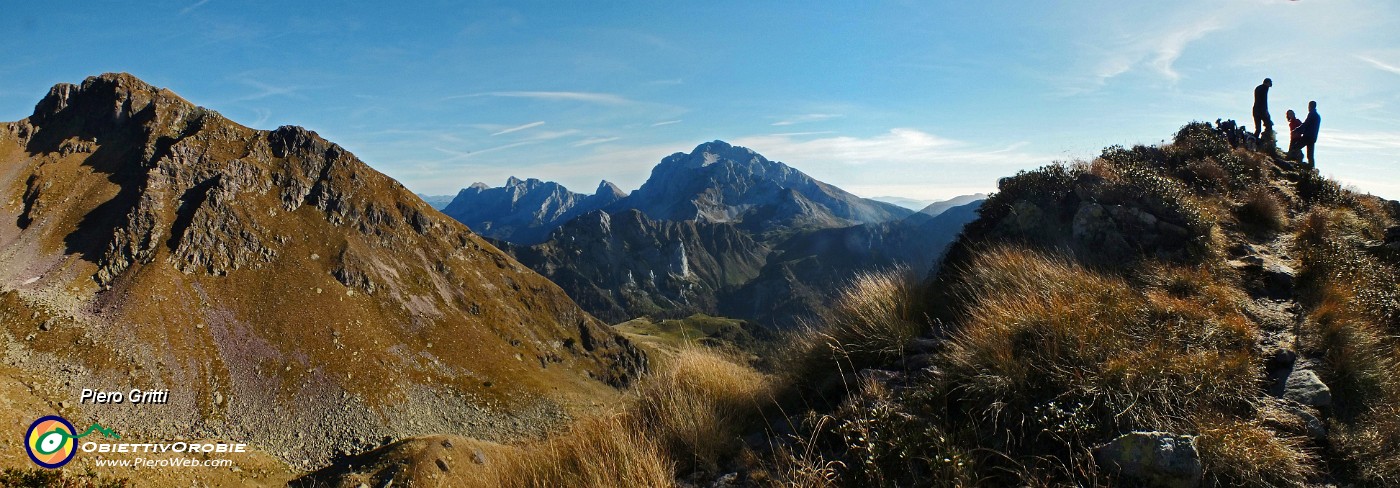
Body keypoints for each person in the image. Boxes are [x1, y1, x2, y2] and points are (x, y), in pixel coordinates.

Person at [1300, 101, 1321, 167]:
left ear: (1310, 106)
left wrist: (1297, 130)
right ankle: (1312, 169)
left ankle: (1296, 161)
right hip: (1313, 138)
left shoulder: (1312, 114)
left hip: (1307, 136)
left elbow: (1306, 124)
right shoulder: (1317, 116)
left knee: (1295, 147)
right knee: (1310, 155)